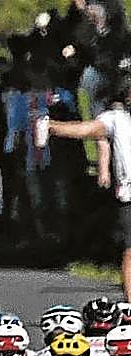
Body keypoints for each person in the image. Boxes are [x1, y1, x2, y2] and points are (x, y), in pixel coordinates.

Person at [45, 74, 131, 300]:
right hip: (128, 195)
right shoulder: (116, 119)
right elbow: (85, 130)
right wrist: (52, 127)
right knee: (130, 251)